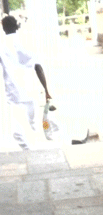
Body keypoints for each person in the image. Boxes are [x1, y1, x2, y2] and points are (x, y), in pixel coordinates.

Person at [0, 15, 51, 149]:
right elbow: (38, 67)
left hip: (14, 93)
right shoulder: (27, 42)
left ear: (3, 27)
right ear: (16, 26)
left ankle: (29, 152)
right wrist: (46, 90)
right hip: (31, 90)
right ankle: (36, 150)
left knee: (18, 131)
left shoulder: (2, 45)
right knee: (33, 125)